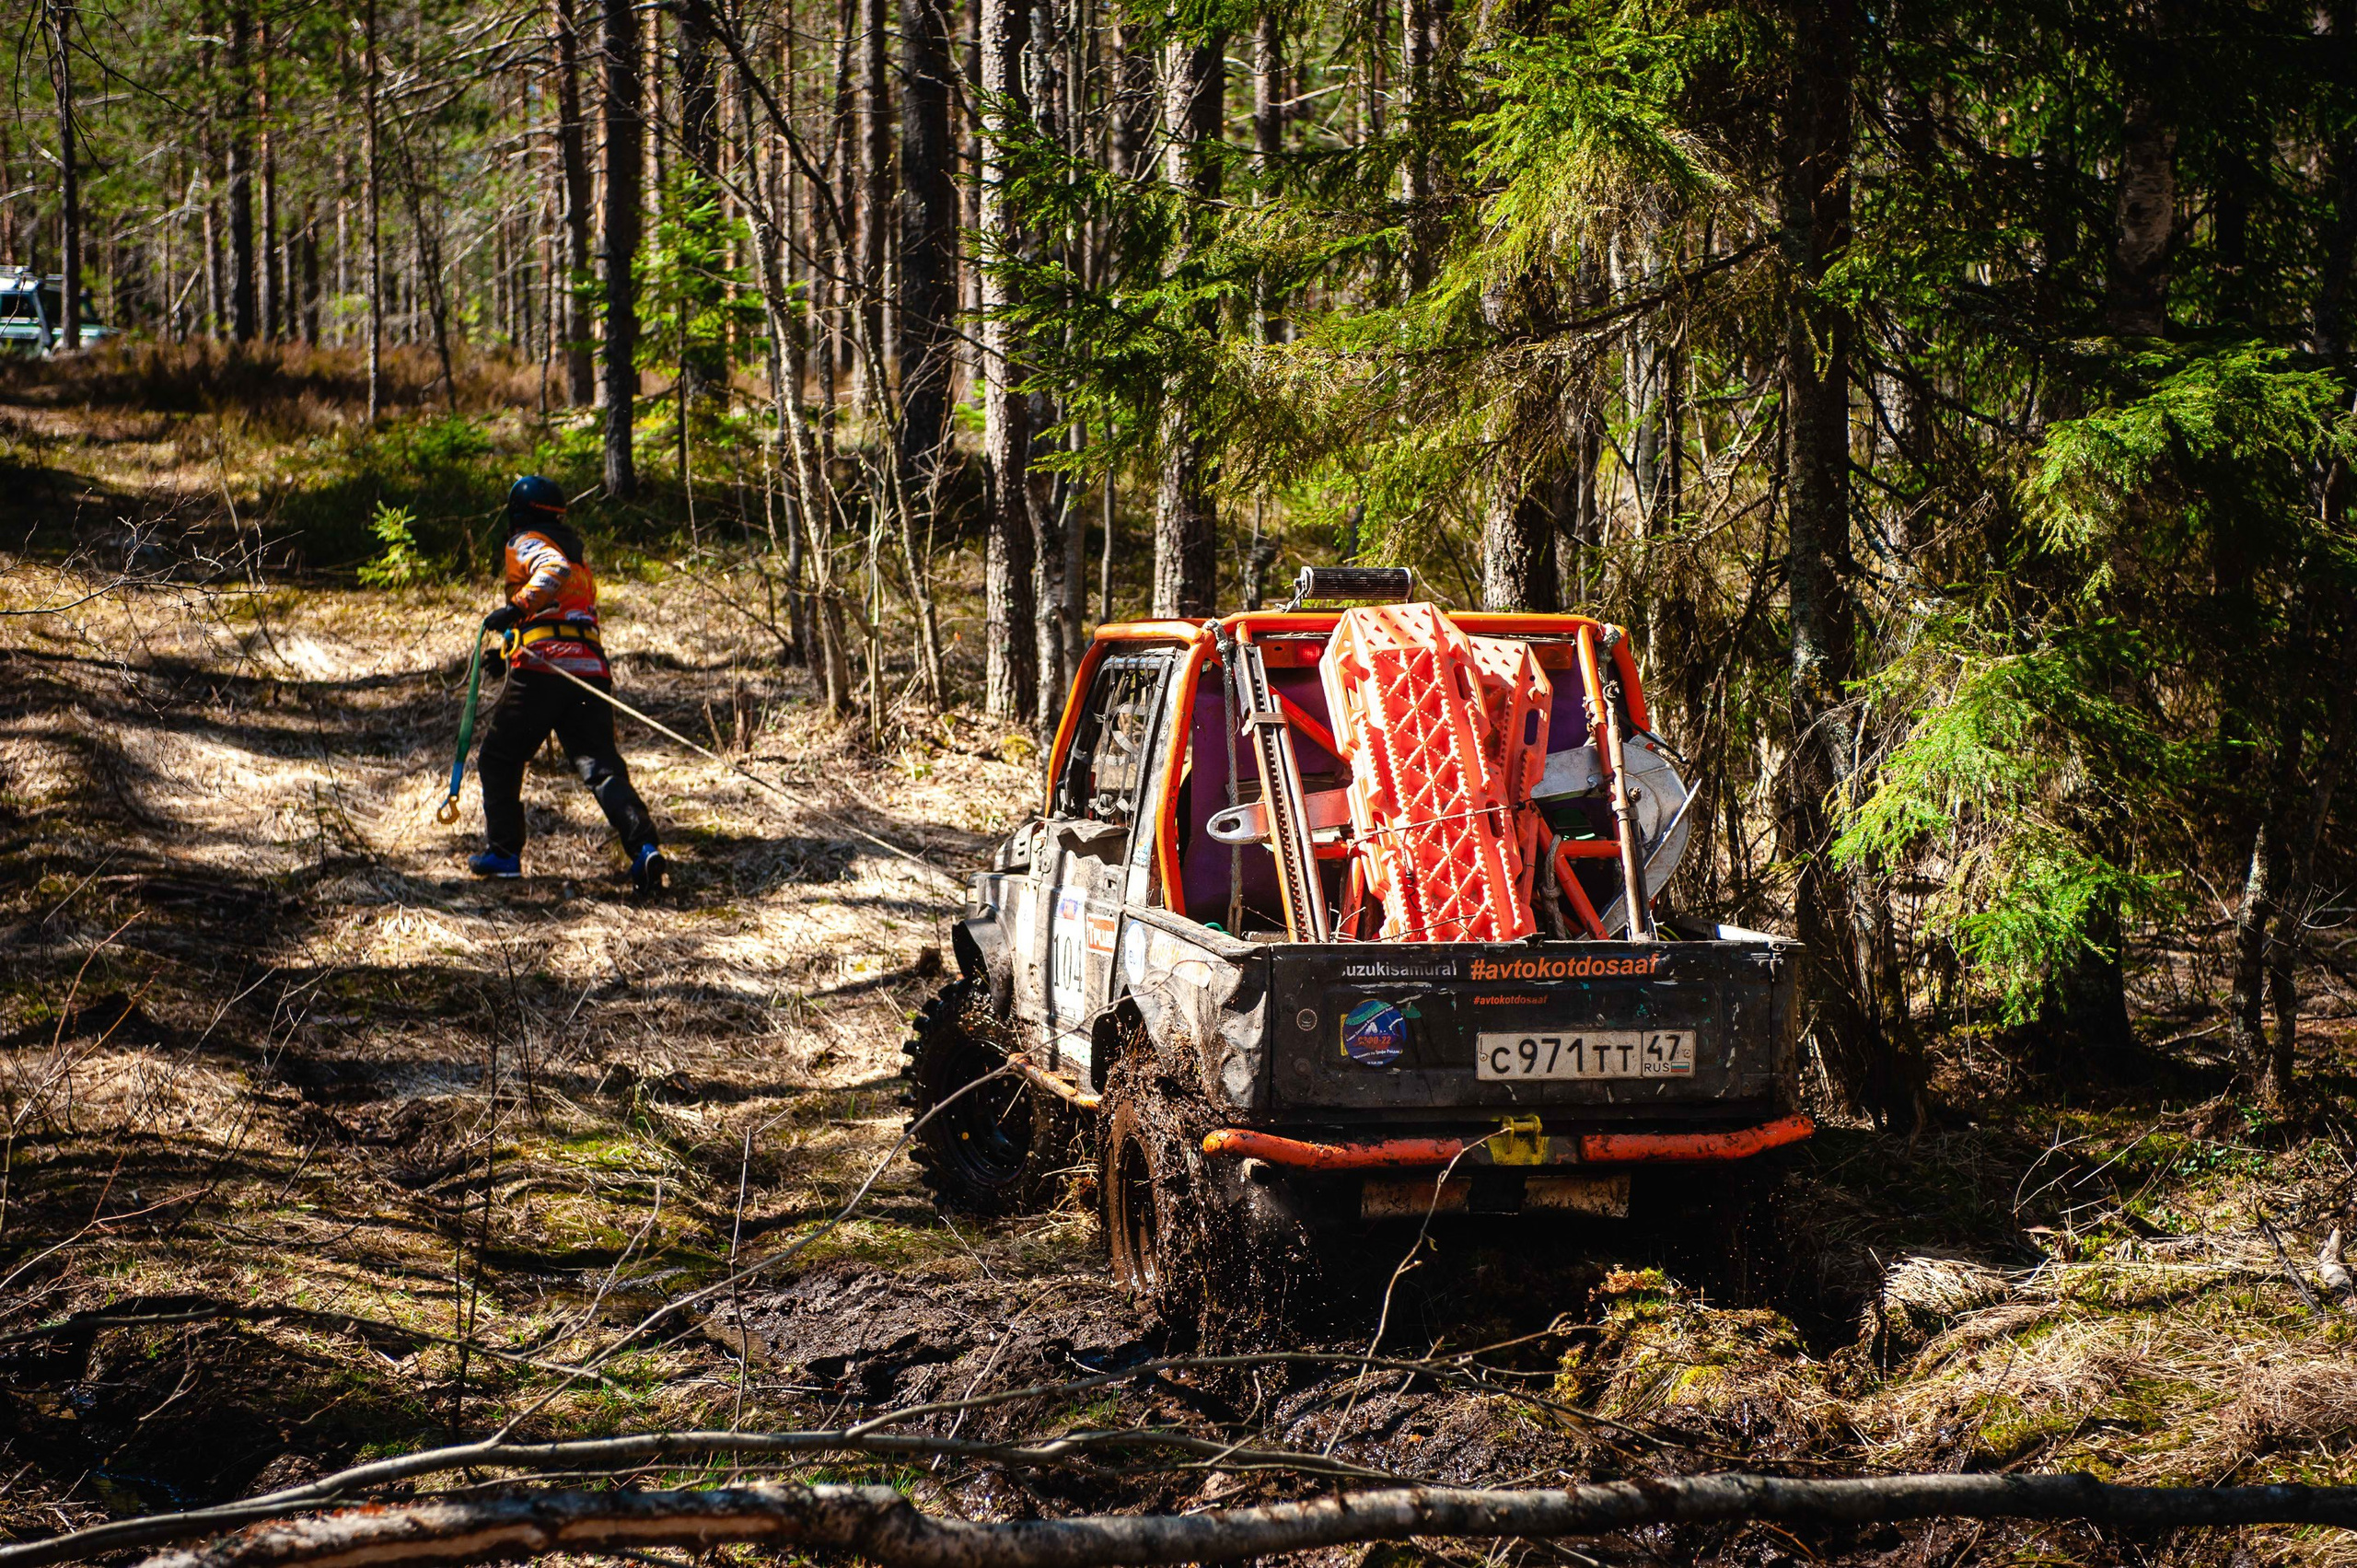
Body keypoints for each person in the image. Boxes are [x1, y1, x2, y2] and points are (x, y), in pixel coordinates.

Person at [468, 476, 667, 894]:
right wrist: (508, 652)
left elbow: (548, 575)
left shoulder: (527, 541)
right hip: (588, 669)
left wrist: (513, 609)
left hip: (545, 672)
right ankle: (645, 848)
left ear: (519, 512)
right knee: (603, 769)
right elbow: (563, 613)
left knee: (499, 759)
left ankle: (503, 854)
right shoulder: (577, 556)